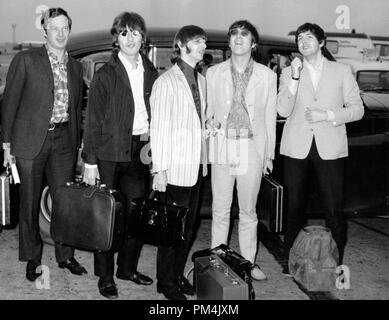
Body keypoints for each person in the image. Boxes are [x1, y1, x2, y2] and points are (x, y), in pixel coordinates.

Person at [1, 8, 87, 281]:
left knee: (64, 203)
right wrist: (6, 144)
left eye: (65, 28)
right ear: (45, 31)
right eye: (55, 28)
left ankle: (65, 255)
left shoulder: (76, 66)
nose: (60, 33)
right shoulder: (26, 60)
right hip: (29, 141)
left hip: (64, 141)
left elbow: (75, 108)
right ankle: (32, 258)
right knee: (28, 202)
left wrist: (76, 144)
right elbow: (9, 103)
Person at [277, 22, 364, 274]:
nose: (303, 42)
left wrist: (326, 115)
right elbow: (282, 110)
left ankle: (335, 262)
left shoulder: (341, 71)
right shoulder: (289, 72)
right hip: (296, 146)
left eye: (309, 37)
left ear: (322, 42)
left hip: (330, 145)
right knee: (293, 207)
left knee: (333, 208)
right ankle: (290, 260)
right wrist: (293, 78)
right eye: (299, 38)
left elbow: (357, 109)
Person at [82, 12, 158, 299]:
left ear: (143, 38)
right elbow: (93, 121)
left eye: (135, 33)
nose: (130, 39)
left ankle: (127, 268)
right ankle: (105, 276)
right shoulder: (106, 74)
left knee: (137, 215)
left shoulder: (151, 72)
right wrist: (90, 161)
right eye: (124, 33)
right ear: (116, 38)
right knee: (107, 217)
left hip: (141, 152)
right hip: (110, 153)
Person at [206, 20, 277, 281]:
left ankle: (247, 263)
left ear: (253, 43)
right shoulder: (213, 73)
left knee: (248, 211)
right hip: (224, 145)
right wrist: (208, 121)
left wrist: (267, 154)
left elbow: (269, 117)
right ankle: (216, 262)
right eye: (234, 34)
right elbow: (206, 111)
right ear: (229, 41)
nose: (238, 38)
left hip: (250, 146)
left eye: (244, 35)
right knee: (220, 209)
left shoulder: (268, 76)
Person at [150, 25, 208, 300]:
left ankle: (174, 276)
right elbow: (158, 130)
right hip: (173, 170)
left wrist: (208, 128)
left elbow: (195, 120)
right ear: (183, 46)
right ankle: (166, 283)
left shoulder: (201, 80)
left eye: (204, 42)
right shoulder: (166, 82)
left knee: (187, 229)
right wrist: (159, 170)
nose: (203, 47)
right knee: (171, 231)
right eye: (198, 42)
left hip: (195, 167)